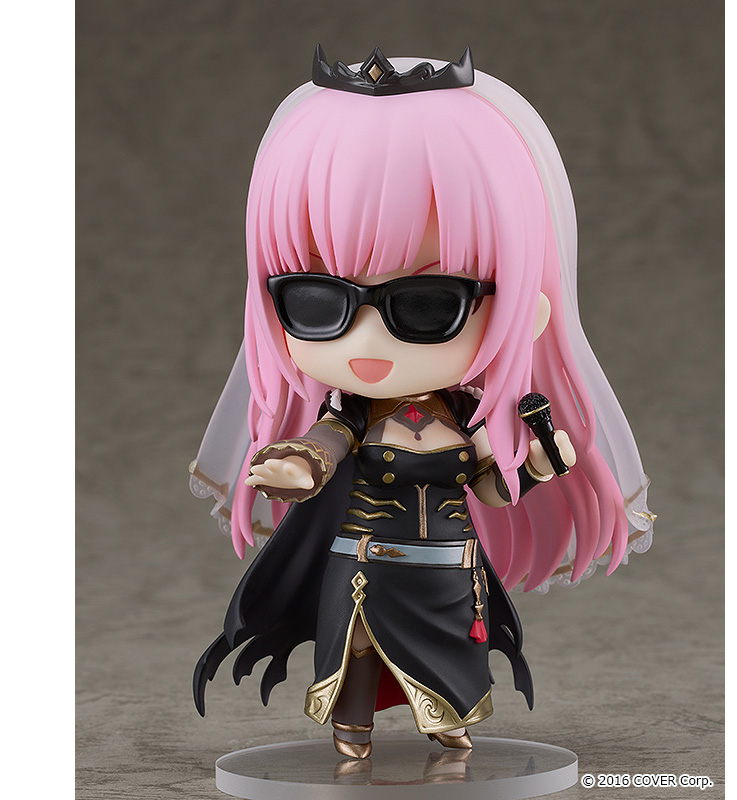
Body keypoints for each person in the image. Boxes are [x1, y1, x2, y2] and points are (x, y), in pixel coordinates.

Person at [190, 47, 654, 759]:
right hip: (365, 568)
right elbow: (323, 447)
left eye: (428, 305)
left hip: (447, 570)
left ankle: (446, 719)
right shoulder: (353, 413)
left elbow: (492, 489)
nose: (365, 340)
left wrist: (535, 466)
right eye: (316, 301)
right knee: (357, 656)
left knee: (450, 667)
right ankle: (353, 727)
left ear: (522, 311)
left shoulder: (466, 420)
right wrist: (297, 467)